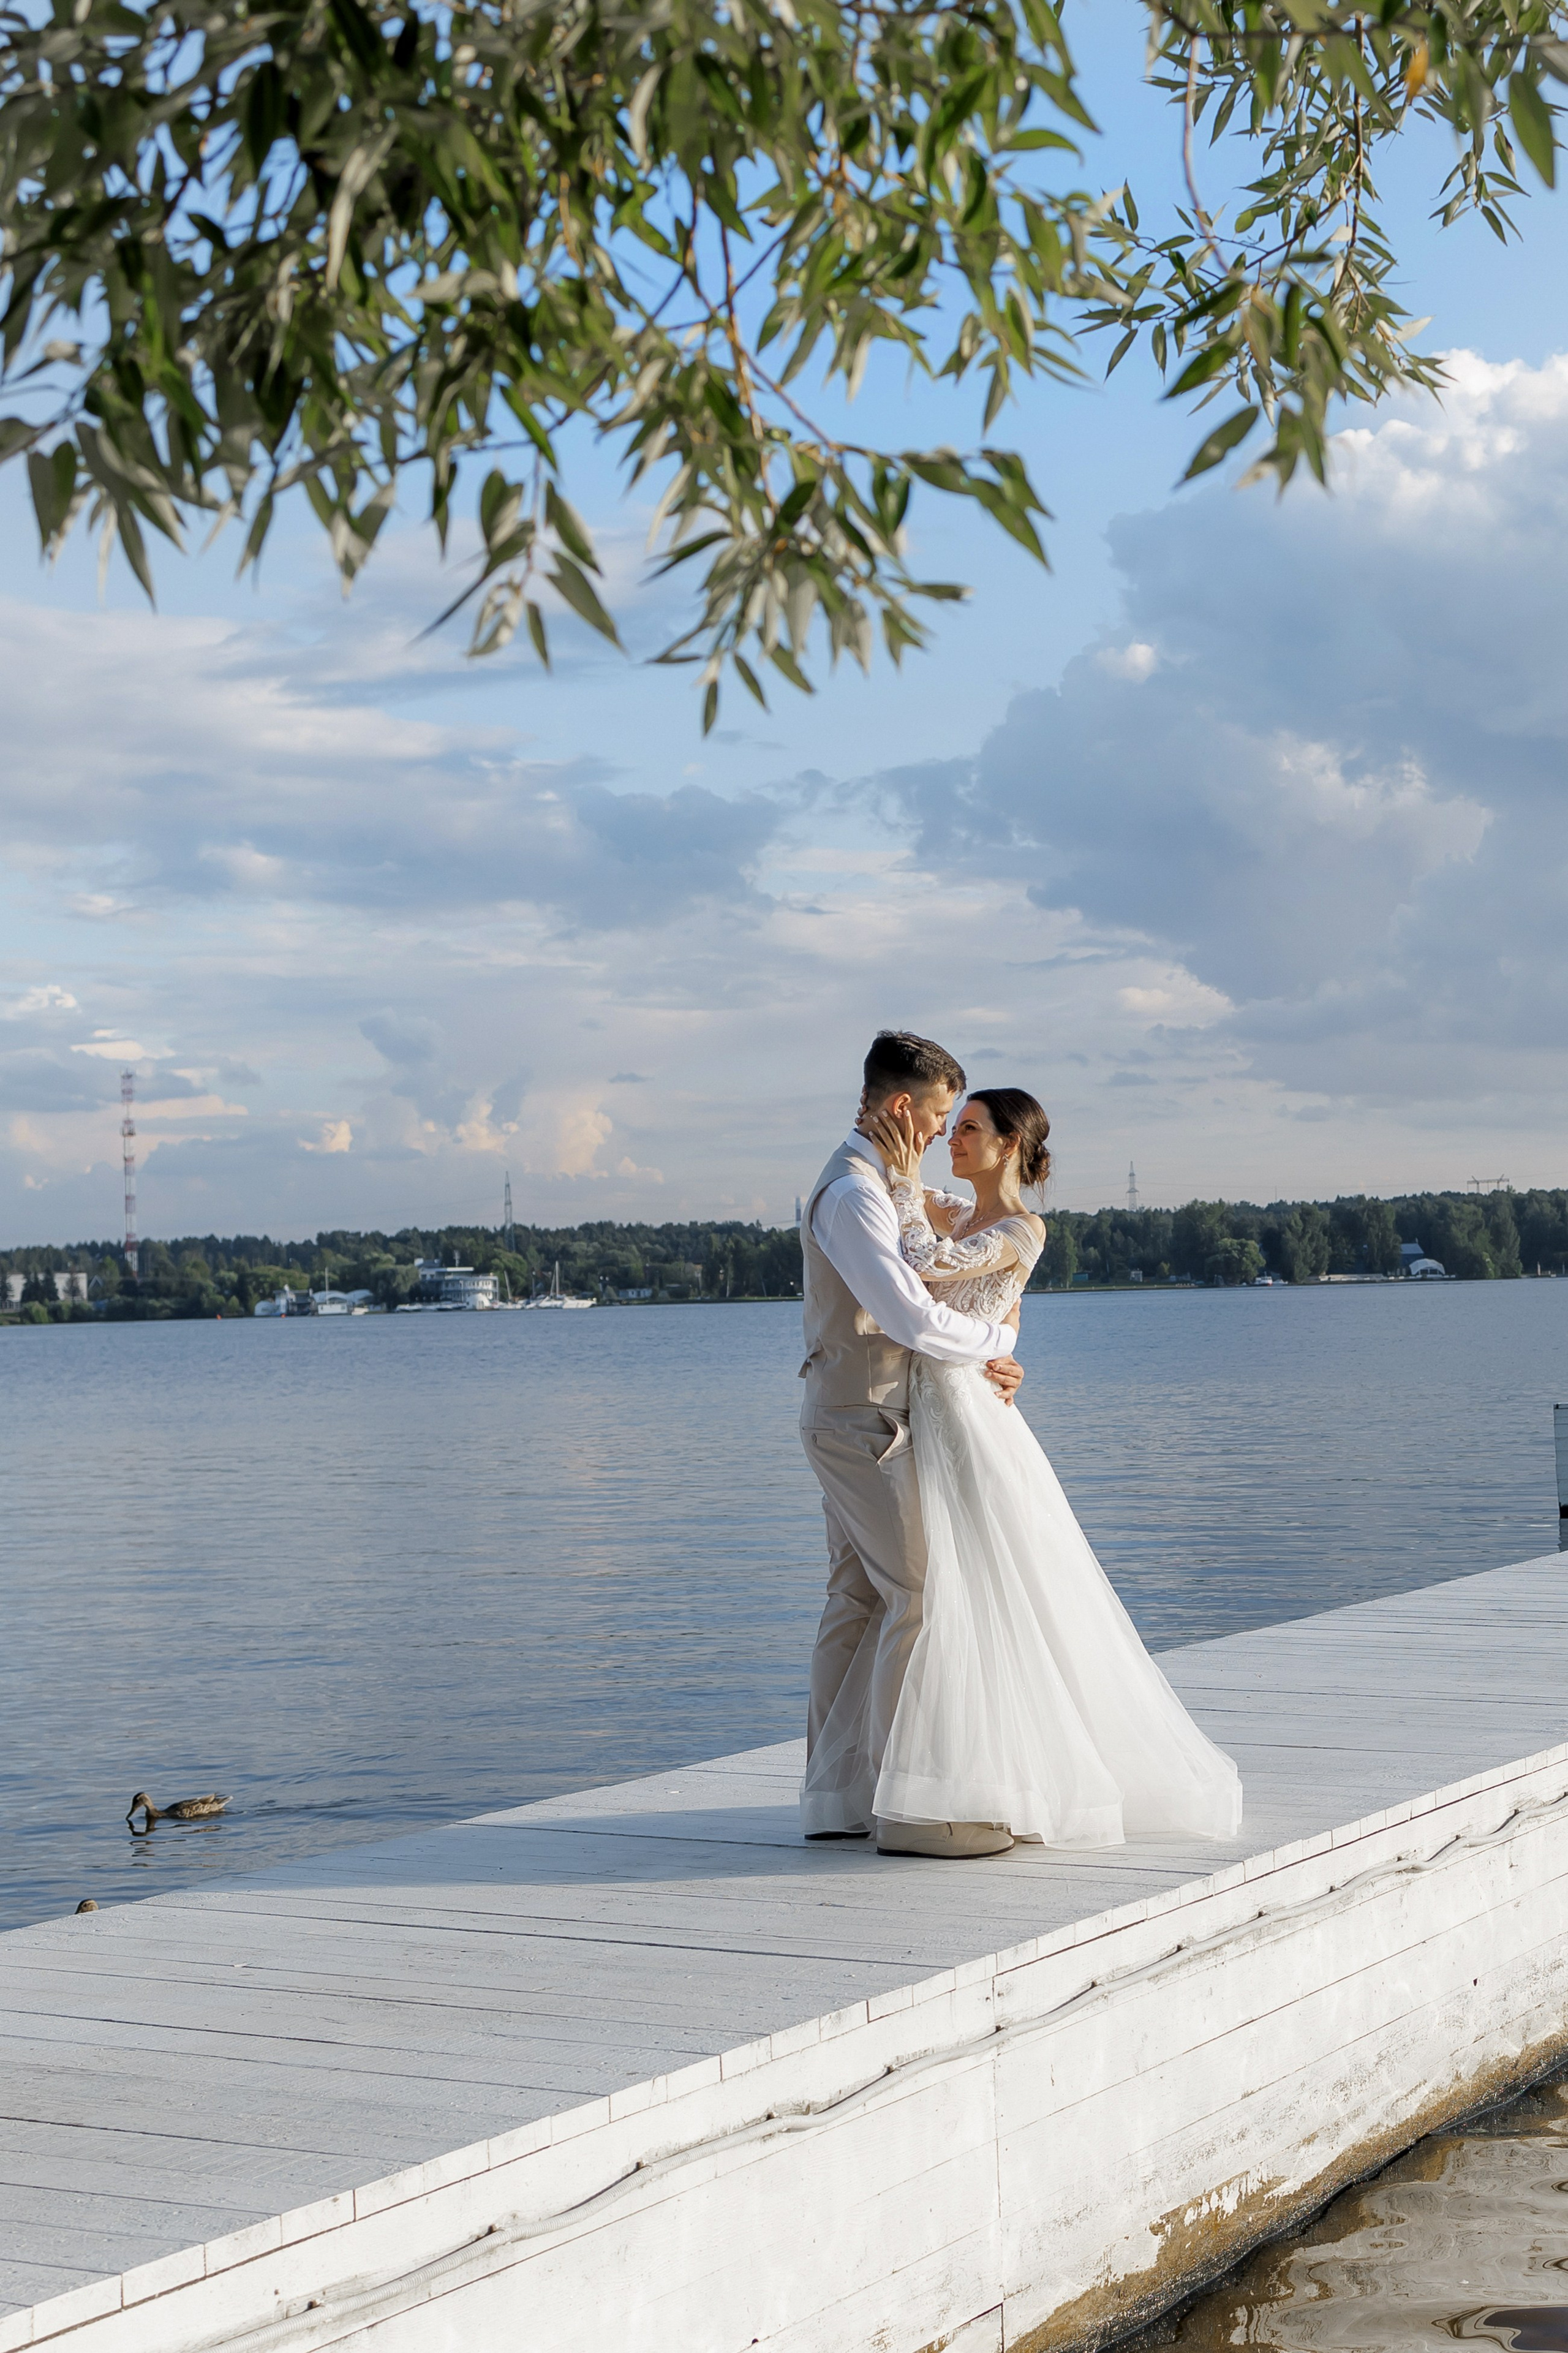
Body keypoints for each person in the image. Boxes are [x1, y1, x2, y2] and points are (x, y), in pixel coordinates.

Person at [859, 1084, 1242, 1856]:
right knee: (954, 1583)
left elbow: (928, 1265)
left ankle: (986, 1784)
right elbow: (984, 1297)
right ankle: (968, 1779)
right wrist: (899, 1168)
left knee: (983, 1581)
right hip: (935, 1404)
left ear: (1008, 1145)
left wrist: (902, 1180)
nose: (952, 1138)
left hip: (967, 1413)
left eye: (969, 1128)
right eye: (951, 1126)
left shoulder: (1022, 1228)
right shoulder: (959, 1211)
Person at [799, 1032, 1027, 1859]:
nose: (938, 1133)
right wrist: (996, 1342)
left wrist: (993, 1347)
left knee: (859, 1599)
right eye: (937, 1117)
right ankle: (909, 1807)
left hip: (857, 1410)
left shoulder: (872, 1183)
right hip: (867, 1418)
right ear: (903, 1106)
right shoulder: (854, 1195)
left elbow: (960, 1264)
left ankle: (836, 1799)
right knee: (920, 1594)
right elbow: (909, 1316)